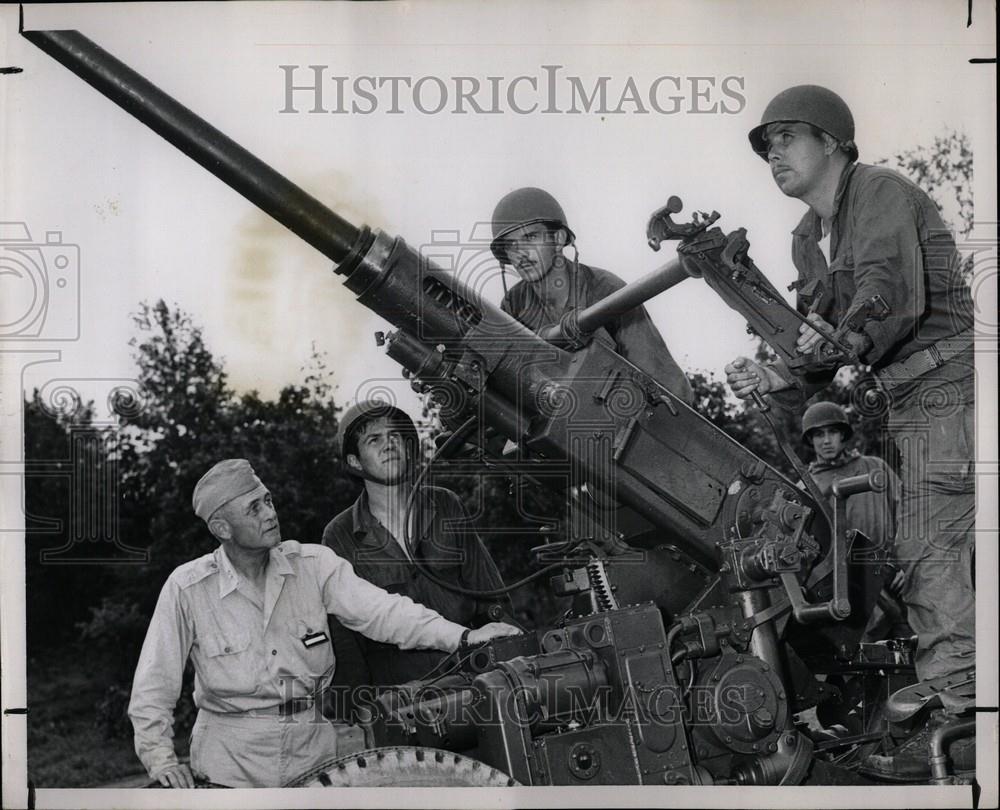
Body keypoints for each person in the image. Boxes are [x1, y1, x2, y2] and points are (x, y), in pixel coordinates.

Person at [725, 85, 976, 775]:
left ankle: (964, 721)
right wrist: (776, 374)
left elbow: (884, 297)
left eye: (786, 138)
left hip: (952, 386)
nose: (772, 154)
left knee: (929, 550)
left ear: (833, 141)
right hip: (912, 399)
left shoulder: (879, 195)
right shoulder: (809, 238)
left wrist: (830, 339)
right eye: (765, 147)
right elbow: (817, 348)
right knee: (934, 551)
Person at [128, 458, 519, 788]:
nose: (270, 513)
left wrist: (464, 636)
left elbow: (385, 612)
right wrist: (162, 761)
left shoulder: (313, 566)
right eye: (254, 508)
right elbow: (153, 686)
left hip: (312, 750)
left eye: (267, 500)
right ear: (221, 529)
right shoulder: (189, 588)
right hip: (230, 763)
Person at [323, 401, 512, 690]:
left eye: (395, 436)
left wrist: (509, 648)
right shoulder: (340, 534)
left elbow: (489, 591)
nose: (389, 444)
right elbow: (344, 634)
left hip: (475, 679)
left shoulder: (445, 504)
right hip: (404, 694)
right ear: (354, 462)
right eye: (374, 439)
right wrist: (360, 703)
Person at [490, 186, 694, 405]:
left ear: (558, 238)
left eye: (530, 237)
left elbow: (669, 386)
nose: (520, 253)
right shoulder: (514, 305)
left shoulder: (605, 290)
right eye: (511, 245)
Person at [798, 401, 904, 642]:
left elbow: (908, 514)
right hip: (850, 590)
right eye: (818, 434)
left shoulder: (874, 468)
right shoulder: (806, 489)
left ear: (843, 435)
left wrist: (908, 565)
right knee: (867, 662)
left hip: (895, 578)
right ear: (810, 440)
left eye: (832, 432)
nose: (826, 441)